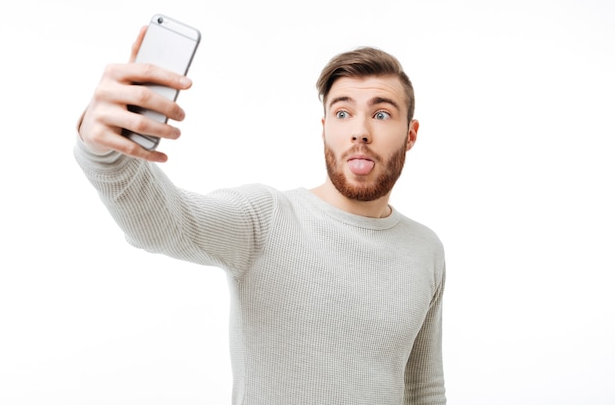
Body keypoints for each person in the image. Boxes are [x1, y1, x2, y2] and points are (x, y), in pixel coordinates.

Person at [74, 26, 447, 405]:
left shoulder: (424, 249)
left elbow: (422, 390)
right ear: (324, 129)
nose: (360, 132)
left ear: (411, 134)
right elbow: (168, 225)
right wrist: (103, 152)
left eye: (381, 114)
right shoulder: (267, 219)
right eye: (342, 113)